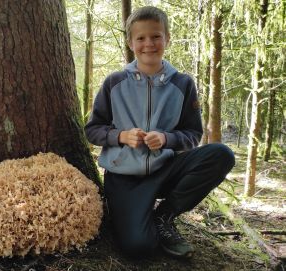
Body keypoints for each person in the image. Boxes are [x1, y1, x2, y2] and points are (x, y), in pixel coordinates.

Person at [85, 6, 234, 259]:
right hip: (124, 177)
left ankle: (165, 215)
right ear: (131, 43)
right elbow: (92, 130)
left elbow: (192, 134)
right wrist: (121, 136)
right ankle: (144, 221)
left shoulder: (183, 84)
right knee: (139, 248)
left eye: (156, 36)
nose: (149, 44)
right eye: (141, 38)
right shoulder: (114, 82)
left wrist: (167, 139)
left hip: (165, 170)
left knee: (221, 154)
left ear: (167, 38)